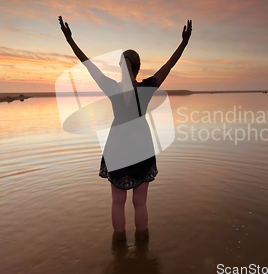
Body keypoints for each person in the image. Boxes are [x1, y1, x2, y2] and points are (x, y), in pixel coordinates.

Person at [59, 16, 192, 243]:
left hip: (116, 148)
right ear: (138, 68)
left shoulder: (111, 87)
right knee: (140, 203)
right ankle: (143, 248)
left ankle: (119, 248)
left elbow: (87, 64)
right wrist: (184, 43)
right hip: (141, 147)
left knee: (117, 203)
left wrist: (69, 39)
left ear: (120, 67)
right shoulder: (147, 87)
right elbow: (170, 64)